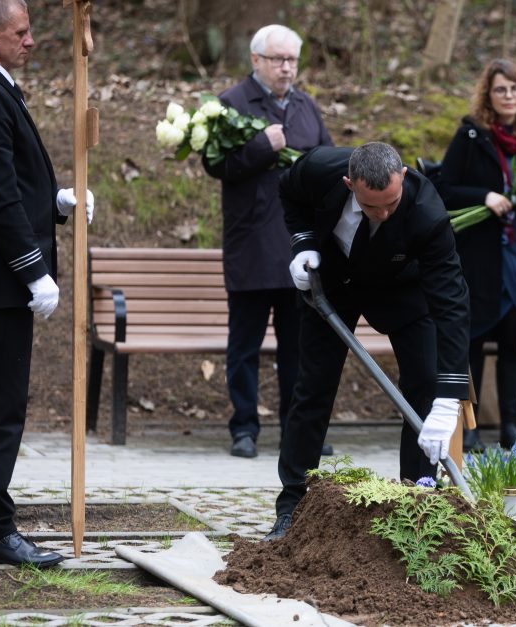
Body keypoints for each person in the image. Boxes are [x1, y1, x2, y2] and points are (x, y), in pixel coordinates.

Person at [0, 0, 94, 566]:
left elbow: (10, 182)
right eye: (20, 33)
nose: (30, 41)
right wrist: (33, 269)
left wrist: (55, 202)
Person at [264, 142, 470, 540]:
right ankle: (292, 504)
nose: (383, 214)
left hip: (401, 286)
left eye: (391, 203)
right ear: (348, 183)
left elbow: (452, 304)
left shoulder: (427, 213)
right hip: (331, 282)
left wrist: (448, 397)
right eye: (372, 207)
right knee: (313, 387)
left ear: (404, 178)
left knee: (424, 384)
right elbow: (288, 191)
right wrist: (303, 243)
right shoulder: (319, 169)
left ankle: (418, 504)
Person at [202, 24, 333, 459]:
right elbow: (214, 164)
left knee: (299, 349)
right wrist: (261, 145)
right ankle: (244, 428)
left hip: (298, 249)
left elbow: (329, 162)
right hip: (252, 246)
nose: (286, 67)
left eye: (292, 59)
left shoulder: (306, 106)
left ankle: (299, 430)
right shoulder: (231, 104)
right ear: (256, 60)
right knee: (245, 346)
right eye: (278, 59)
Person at [436, 59, 516, 453]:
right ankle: (468, 428)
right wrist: (484, 197)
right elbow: (443, 187)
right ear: (488, 95)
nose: (508, 96)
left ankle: (511, 426)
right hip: (480, 257)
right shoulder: (472, 135)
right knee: (471, 340)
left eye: (515, 89)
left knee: (511, 341)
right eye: (500, 90)